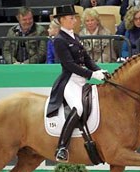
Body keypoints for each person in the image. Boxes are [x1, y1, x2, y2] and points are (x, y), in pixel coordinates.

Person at [46, 5, 107, 162]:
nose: (74, 20)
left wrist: (100, 71)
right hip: (69, 81)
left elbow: (87, 59)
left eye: (74, 17)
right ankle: (62, 147)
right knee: (78, 108)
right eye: (71, 18)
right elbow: (69, 65)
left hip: (81, 80)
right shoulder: (59, 40)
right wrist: (92, 74)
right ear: (62, 20)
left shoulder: (76, 37)